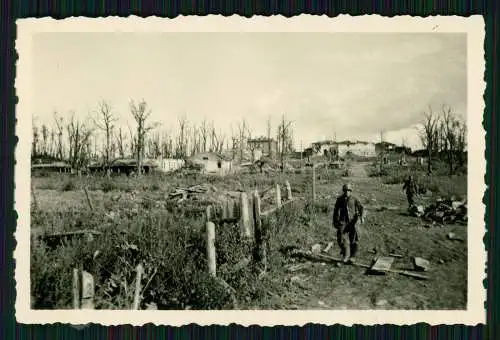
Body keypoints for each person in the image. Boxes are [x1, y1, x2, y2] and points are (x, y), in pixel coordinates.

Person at [333, 183, 365, 264]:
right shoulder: (340, 199)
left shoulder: (354, 198)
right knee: (340, 238)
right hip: (343, 221)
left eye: (349, 190)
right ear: (343, 191)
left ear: (351, 191)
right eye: (345, 190)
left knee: (354, 239)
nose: (347, 192)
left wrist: (361, 217)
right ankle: (346, 254)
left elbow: (361, 208)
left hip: (353, 221)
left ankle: (352, 256)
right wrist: (335, 221)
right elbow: (336, 210)